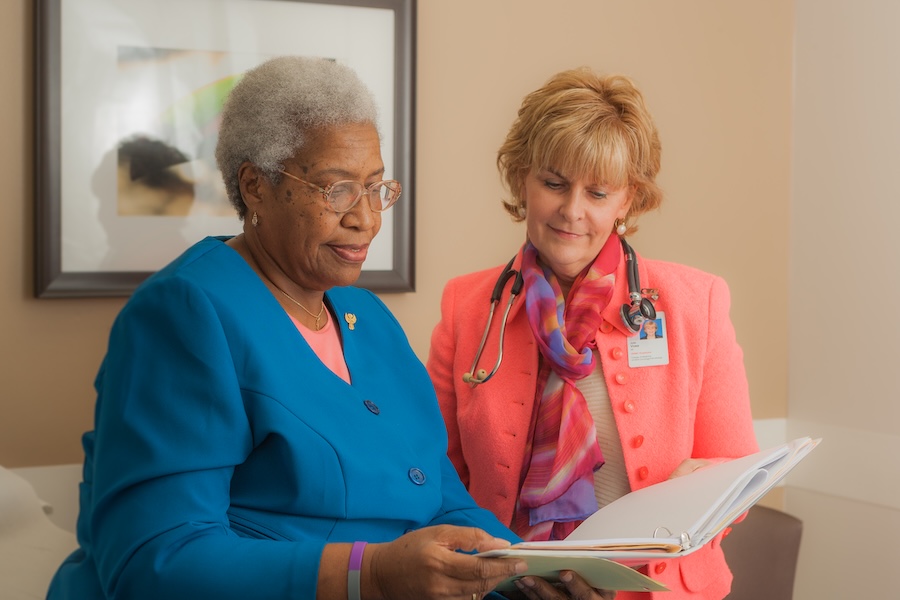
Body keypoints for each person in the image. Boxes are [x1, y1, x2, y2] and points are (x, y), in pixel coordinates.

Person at [46, 57, 612, 600]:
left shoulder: (370, 322)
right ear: (255, 186)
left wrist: (531, 573)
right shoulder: (184, 314)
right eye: (336, 189)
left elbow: (439, 501)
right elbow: (155, 560)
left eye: (375, 187)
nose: (365, 217)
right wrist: (373, 577)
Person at [427, 67, 759, 600]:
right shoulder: (467, 308)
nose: (572, 211)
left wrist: (699, 493)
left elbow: (736, 474)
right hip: (510, 591)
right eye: (554, 183)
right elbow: (437, 475)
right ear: (522, 179)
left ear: (627, 200)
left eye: (598, 192)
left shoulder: (697, 303)